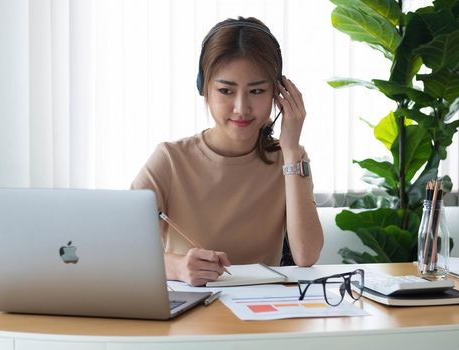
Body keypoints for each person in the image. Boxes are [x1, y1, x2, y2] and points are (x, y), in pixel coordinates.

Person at [131, 16, 323, 286]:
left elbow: (306, 255)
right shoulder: (170, 160)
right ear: (204, 90)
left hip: (262, 312)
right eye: (225, 90)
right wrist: (176, 267)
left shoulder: (289, 159)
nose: (241, 108)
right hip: (191, 314)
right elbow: (120, 249)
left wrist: (291, 150)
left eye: (257, 90)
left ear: (278, 94)